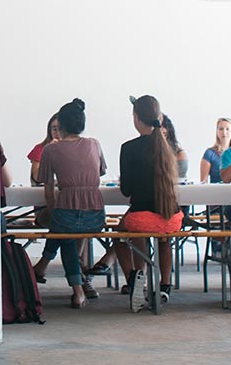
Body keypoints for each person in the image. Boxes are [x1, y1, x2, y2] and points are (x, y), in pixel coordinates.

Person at [32, 98, 107, 308]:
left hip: (66, 212)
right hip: (96, 214)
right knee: (66, 231)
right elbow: (100, 173)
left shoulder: (50, 150)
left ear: (61, 126)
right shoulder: (95, 144)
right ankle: (47, 269)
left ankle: (76, 290)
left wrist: (56, 211)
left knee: (63, 232)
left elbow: (48, 192)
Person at [113, 95, 183, 311]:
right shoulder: (168, 148)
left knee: (122, 235)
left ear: (136, 118)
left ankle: (135, 278)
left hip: (141, 218)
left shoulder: (128, 148)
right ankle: (165, 286)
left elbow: (126, 191)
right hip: (172, 219)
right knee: (163, 239)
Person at [28, 114, 61, 186]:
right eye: (54, 129)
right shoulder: (40, 148)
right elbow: (35, 179)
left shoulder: (73, 150)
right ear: (50, 131)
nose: (57, 133)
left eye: (61, 129)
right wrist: (48, 152)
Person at [200, 118, 231, 183]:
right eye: (221, 129)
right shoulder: (209, 153)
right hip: (216, 191)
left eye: (227, 129)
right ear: (217, 132)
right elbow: (203, 181)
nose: (224, 132)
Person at [160, 114, 188, 180]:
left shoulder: (179, 154)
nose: (163, 130)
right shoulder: (147, 152)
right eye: (159, 127)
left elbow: (178, 179)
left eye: (164, 126)